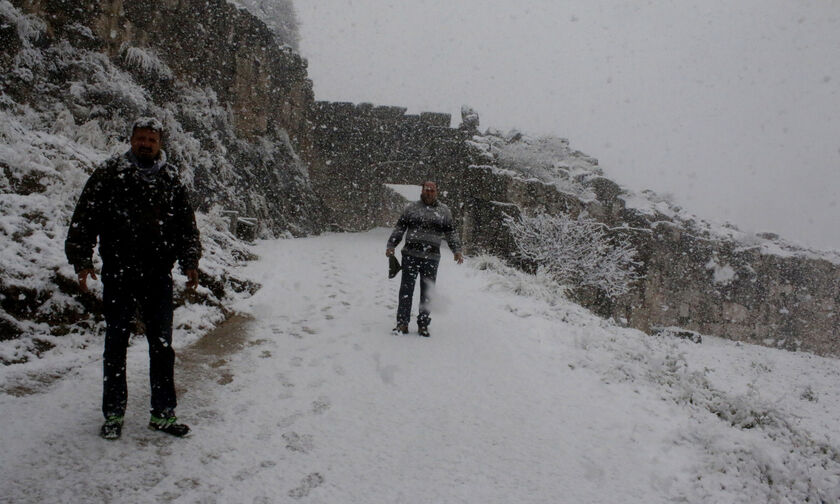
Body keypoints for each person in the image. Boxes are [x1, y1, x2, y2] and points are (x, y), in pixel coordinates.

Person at [65, 117, 201, 440]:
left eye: (151, 140)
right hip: (119, 274)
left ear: (160, 144)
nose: (145, 144)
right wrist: (82, 259)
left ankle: (163, 414)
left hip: (157, 276)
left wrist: (191, 260)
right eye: (140, 139)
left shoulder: (171, 179)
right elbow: (85, 217)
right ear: (131, 140)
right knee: (115, 345)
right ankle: (113, 414)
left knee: (162, 347)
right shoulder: (111, 174)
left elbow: (186, 226)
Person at [386, 181, 463, 337]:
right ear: (422, 191)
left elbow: (451, 232)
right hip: (410, 256)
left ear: (436, 192)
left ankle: (423, 325)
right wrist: (391, 244)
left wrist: (457, 250)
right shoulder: (411, 208)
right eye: (427, 190)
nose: (429, 192)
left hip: (431, 258)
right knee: (406, 290)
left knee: (427, 292)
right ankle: (402, 324)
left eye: (432, 190)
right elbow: (400, 227)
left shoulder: (444, 211)